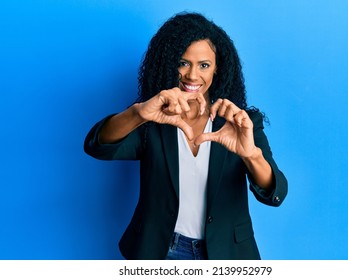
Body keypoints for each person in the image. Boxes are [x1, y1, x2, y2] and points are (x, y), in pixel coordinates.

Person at [84, 12, 287, 260]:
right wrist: (138, 113)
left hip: (226, 253)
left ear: (217, 69)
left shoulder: (240, 122)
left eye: (204, 65)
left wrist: (250, 154)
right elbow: (98, 146)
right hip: (160, 251)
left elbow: (275, 194)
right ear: (169, 64)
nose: (192, 75)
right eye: (183, 62)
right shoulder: (154, 119)